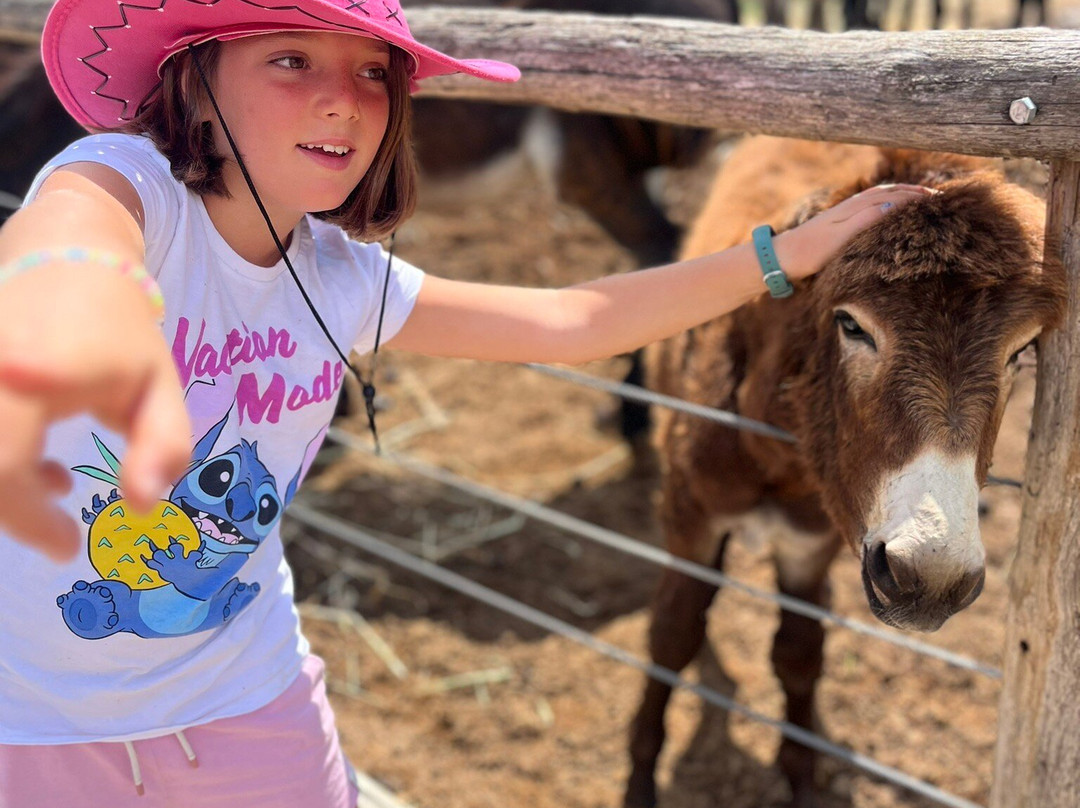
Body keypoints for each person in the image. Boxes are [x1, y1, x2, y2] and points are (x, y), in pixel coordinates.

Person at [0, 0, 929, 805]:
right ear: (195, 80)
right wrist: (96, 313)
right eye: (291, 60)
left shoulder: (338, 276)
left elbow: (567, 320)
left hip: (249, 702)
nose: (345, 97)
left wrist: (780, 256)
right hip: (32, 726)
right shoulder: (129, 189)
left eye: (374, 70)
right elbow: (63, 242)